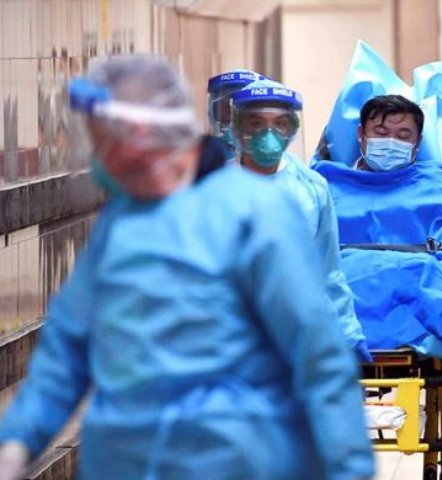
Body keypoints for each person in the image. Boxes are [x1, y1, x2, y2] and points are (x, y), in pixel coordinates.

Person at [0, 55, 374, 480]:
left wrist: (348, 466)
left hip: (233, 459)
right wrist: (17, 441)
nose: (94, 157)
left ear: (138, 136)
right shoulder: (119, 225)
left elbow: (315, 351)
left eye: (100, 142)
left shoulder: (255, 213)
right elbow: (68, 345)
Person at [314, 95, 442, 414]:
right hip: (350, 281)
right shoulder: (326, 183)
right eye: (380, 132)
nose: (391, 141)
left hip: (429, 277)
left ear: (417, 144)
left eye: (403, 135)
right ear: (361, 135)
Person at [220, 77, 371, 362]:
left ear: (292, 129)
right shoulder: (214, 187)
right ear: (238, 128)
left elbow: (328, 269)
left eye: (279, 124)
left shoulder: (311, 187)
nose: (269, 133)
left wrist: (349, 333)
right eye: (256, 123)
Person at [204, 69, 264, 164]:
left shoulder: (283, 165)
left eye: (241, 111)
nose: (233, 121)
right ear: (213, 112)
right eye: (227, 109)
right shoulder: (205, 159)